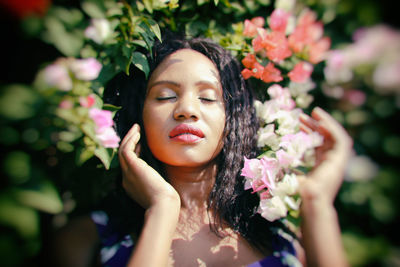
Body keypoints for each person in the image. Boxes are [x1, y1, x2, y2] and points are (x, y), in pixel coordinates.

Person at [47, 33, 352, 267]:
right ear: (137, 116)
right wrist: (162, 208)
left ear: (232, 120)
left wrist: (317, 202)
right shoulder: (84, 240)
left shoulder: (281, 240)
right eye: (165, 96)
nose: (186, 110)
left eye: (207, 98)